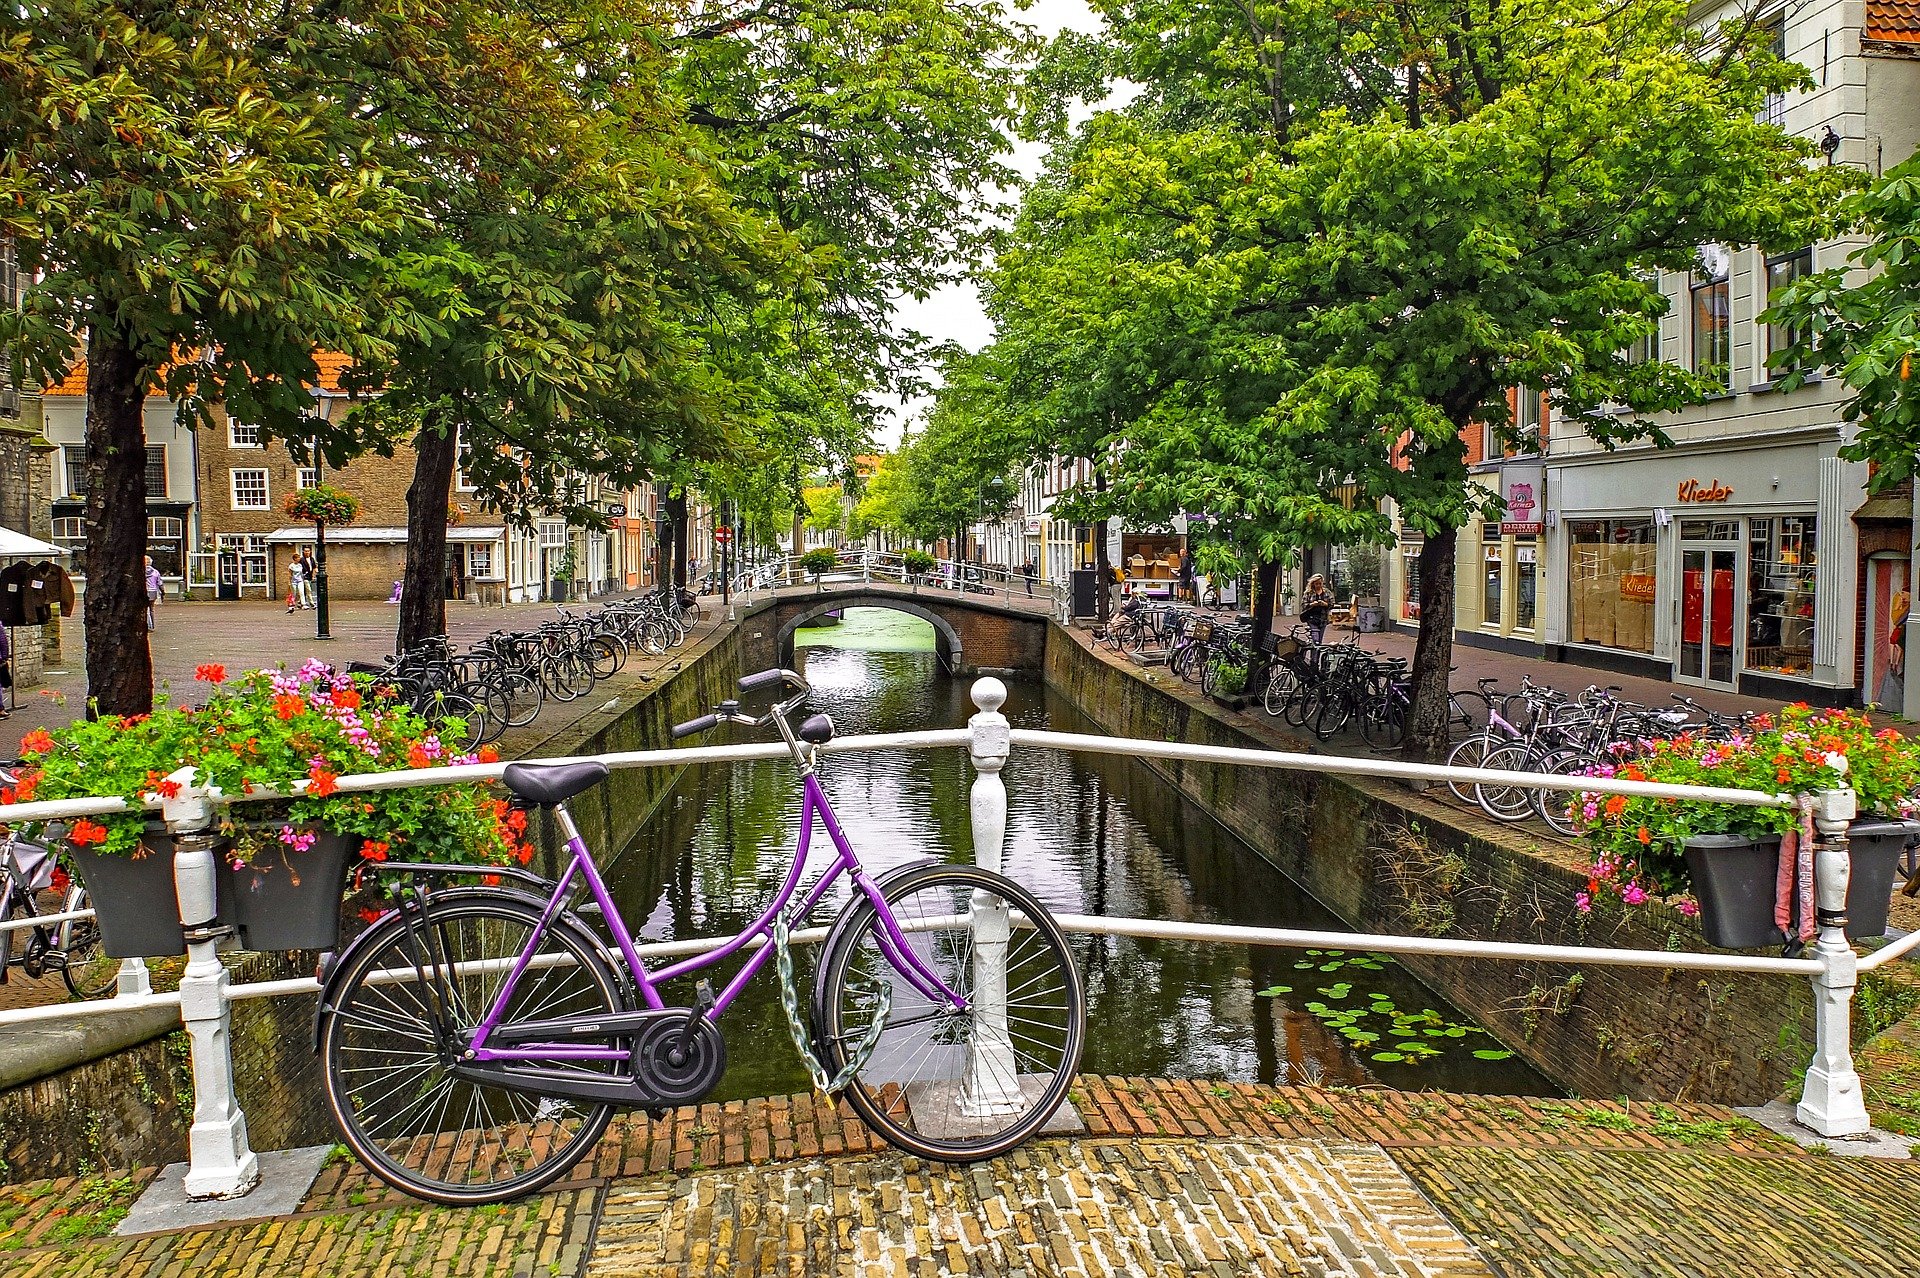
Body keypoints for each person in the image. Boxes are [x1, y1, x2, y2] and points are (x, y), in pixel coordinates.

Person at [1300, 573, 1336, 644]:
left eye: (1320, 583)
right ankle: (1314, 654)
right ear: (1313, 584)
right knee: (1315, 639)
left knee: (1319, 641)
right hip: (1312, 618)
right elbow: (1303, 604)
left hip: (1323, 619)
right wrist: (1312, 604)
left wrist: (1325, 604)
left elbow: (1332, 604)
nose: (1318, 585)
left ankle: (1315, 655)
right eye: (1316, 584)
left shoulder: (1327, 592)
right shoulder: (1308, 593)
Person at [144, 556, 163, 631]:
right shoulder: (155, 572)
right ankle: (152, 625)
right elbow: (160, 583)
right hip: (153, 592)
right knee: (151, 609)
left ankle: (148, 626)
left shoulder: (140, 571)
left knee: (146, 609)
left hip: (145, 591)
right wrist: (163, 592)